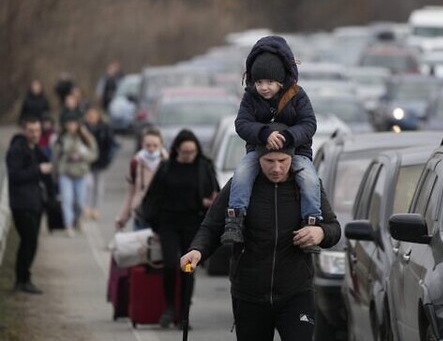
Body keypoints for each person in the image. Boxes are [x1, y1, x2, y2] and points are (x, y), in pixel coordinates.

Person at [180, 136, 341, 340]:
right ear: (257, 159)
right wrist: (197, 250)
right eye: (269, 161)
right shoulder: (239, 187)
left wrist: (321, 232)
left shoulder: (308, 187)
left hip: (296, 291)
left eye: (282, 161)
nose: (276, 168)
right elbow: (211, 226)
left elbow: (334, 228)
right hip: (249, 293)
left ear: (292, 159)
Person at [222, 35, 322, 254]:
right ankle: (235, 219)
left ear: (280, 81)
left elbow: (309, 124)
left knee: (309, 179)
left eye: (269, 82)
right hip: (258, 152)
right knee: (241, 174)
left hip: (297, 152)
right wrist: (263, 133)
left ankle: (311, 222)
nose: (263, 88)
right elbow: (241, 124)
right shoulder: (250, 98)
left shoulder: (297, 95)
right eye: (259, 82)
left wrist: (288, 137)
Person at [140, 129, 219, 328]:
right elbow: (152, 197)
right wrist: (153, 223)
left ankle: (184, 312)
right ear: (176, 150)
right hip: (168, 223)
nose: (189, 156)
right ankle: (168, 307)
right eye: (185, 152)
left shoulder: (204, 166)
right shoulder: (166, 167)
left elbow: (215, 194)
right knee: (169, 265)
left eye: (192, 152)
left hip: (193, 223)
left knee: (188, 268)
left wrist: (208, 202)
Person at [6, 116, 55, 294]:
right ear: (24, 130)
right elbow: (15, 175)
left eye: (37, 131)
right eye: (31, 131)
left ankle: (24, 278)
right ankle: (22, 279)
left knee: (31, 242)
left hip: (34, 202)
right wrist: (38, 170)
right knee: (29, 241)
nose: (35, 134)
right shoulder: (17, 149)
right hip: (21, 203)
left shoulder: (36, 149)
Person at [53, 111, 98, 237]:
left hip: (81, 173)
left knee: (79, 201)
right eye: (69, 124)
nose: (72, 126)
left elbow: (94, 154)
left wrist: (82, 155)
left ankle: (78, 219)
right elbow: (56, 156)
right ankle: (68, 225)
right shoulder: (61, 138)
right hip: (65, 172)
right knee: (67, 200)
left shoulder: (86, 138)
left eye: (74, 123)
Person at [115, 127, 168, 231]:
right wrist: (122, 218)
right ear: (142, 144)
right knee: (139, 246)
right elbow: (131, 193)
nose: (151, 149)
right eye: (148, 145)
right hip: (141, 214)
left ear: (161, 145)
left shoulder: (167, 163)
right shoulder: (136, 163)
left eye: (155, 146)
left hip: (161, 216)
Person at [83, 105, 117, 220]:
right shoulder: (83, 129)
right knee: (88, 186)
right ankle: (86, 207)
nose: (92, 117)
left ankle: (95, 208)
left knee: (98, 187)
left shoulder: (105, 128)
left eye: (94, 115)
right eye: (89, 115)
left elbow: (112, 145)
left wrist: (107, 160)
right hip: (87, 163)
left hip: (100, 162)